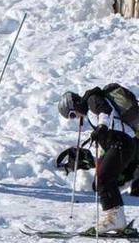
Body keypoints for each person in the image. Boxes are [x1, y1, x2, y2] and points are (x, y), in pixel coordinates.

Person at [59, 87, 137, 233]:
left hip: (122, 142)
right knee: (105, 178)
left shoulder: (92, 99)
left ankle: (114, 219)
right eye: (71, 117)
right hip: (122, 143)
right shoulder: (90, 111)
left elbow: (105, 111)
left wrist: (101, 127)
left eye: (71, 114)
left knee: (103, 178)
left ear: (74, 104)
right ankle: (117, 219)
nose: (74, 117)